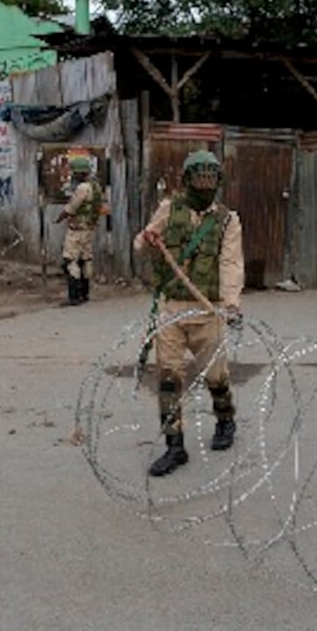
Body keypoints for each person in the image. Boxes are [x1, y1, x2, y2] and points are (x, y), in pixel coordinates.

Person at [133, 149, 244, 477]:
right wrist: (149, 238)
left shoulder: (228, 220)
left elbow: (231, 263)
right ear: (188, 180)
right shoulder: (170, 209)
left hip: (207, 311)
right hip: (172, 309)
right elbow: (141, 243)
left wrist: (231, 303)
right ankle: (174, 446)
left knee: (216, 376)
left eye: (211, 178)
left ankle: (226, 421)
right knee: (168, 376)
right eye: (200, 178)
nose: (205, 184)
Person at [54, 156, 103, 305]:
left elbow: (71, 208)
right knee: (85, 260)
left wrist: (59, 218)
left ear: (80, 173)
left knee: (70, 261)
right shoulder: (96, 187)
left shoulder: (83, 188)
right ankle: (84, 294)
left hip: (77, 230)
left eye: (74, 172)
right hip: (88, 229)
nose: (73, 175)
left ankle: (74, 297)